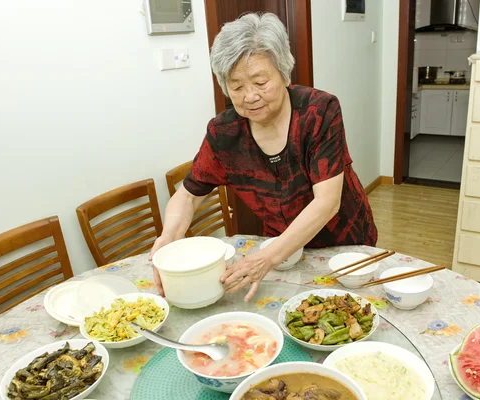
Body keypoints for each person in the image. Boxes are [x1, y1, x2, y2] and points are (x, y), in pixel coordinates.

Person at [150, 12, 377, 301]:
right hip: (283, 252)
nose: (250, 96)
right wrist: (169, 237)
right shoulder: (224, 134)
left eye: (260, 82)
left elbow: (327, 202)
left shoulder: (318, 112)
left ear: (284, 73)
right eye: (237, 86)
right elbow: (189, 195)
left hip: (343, 247)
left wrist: (265, 259)